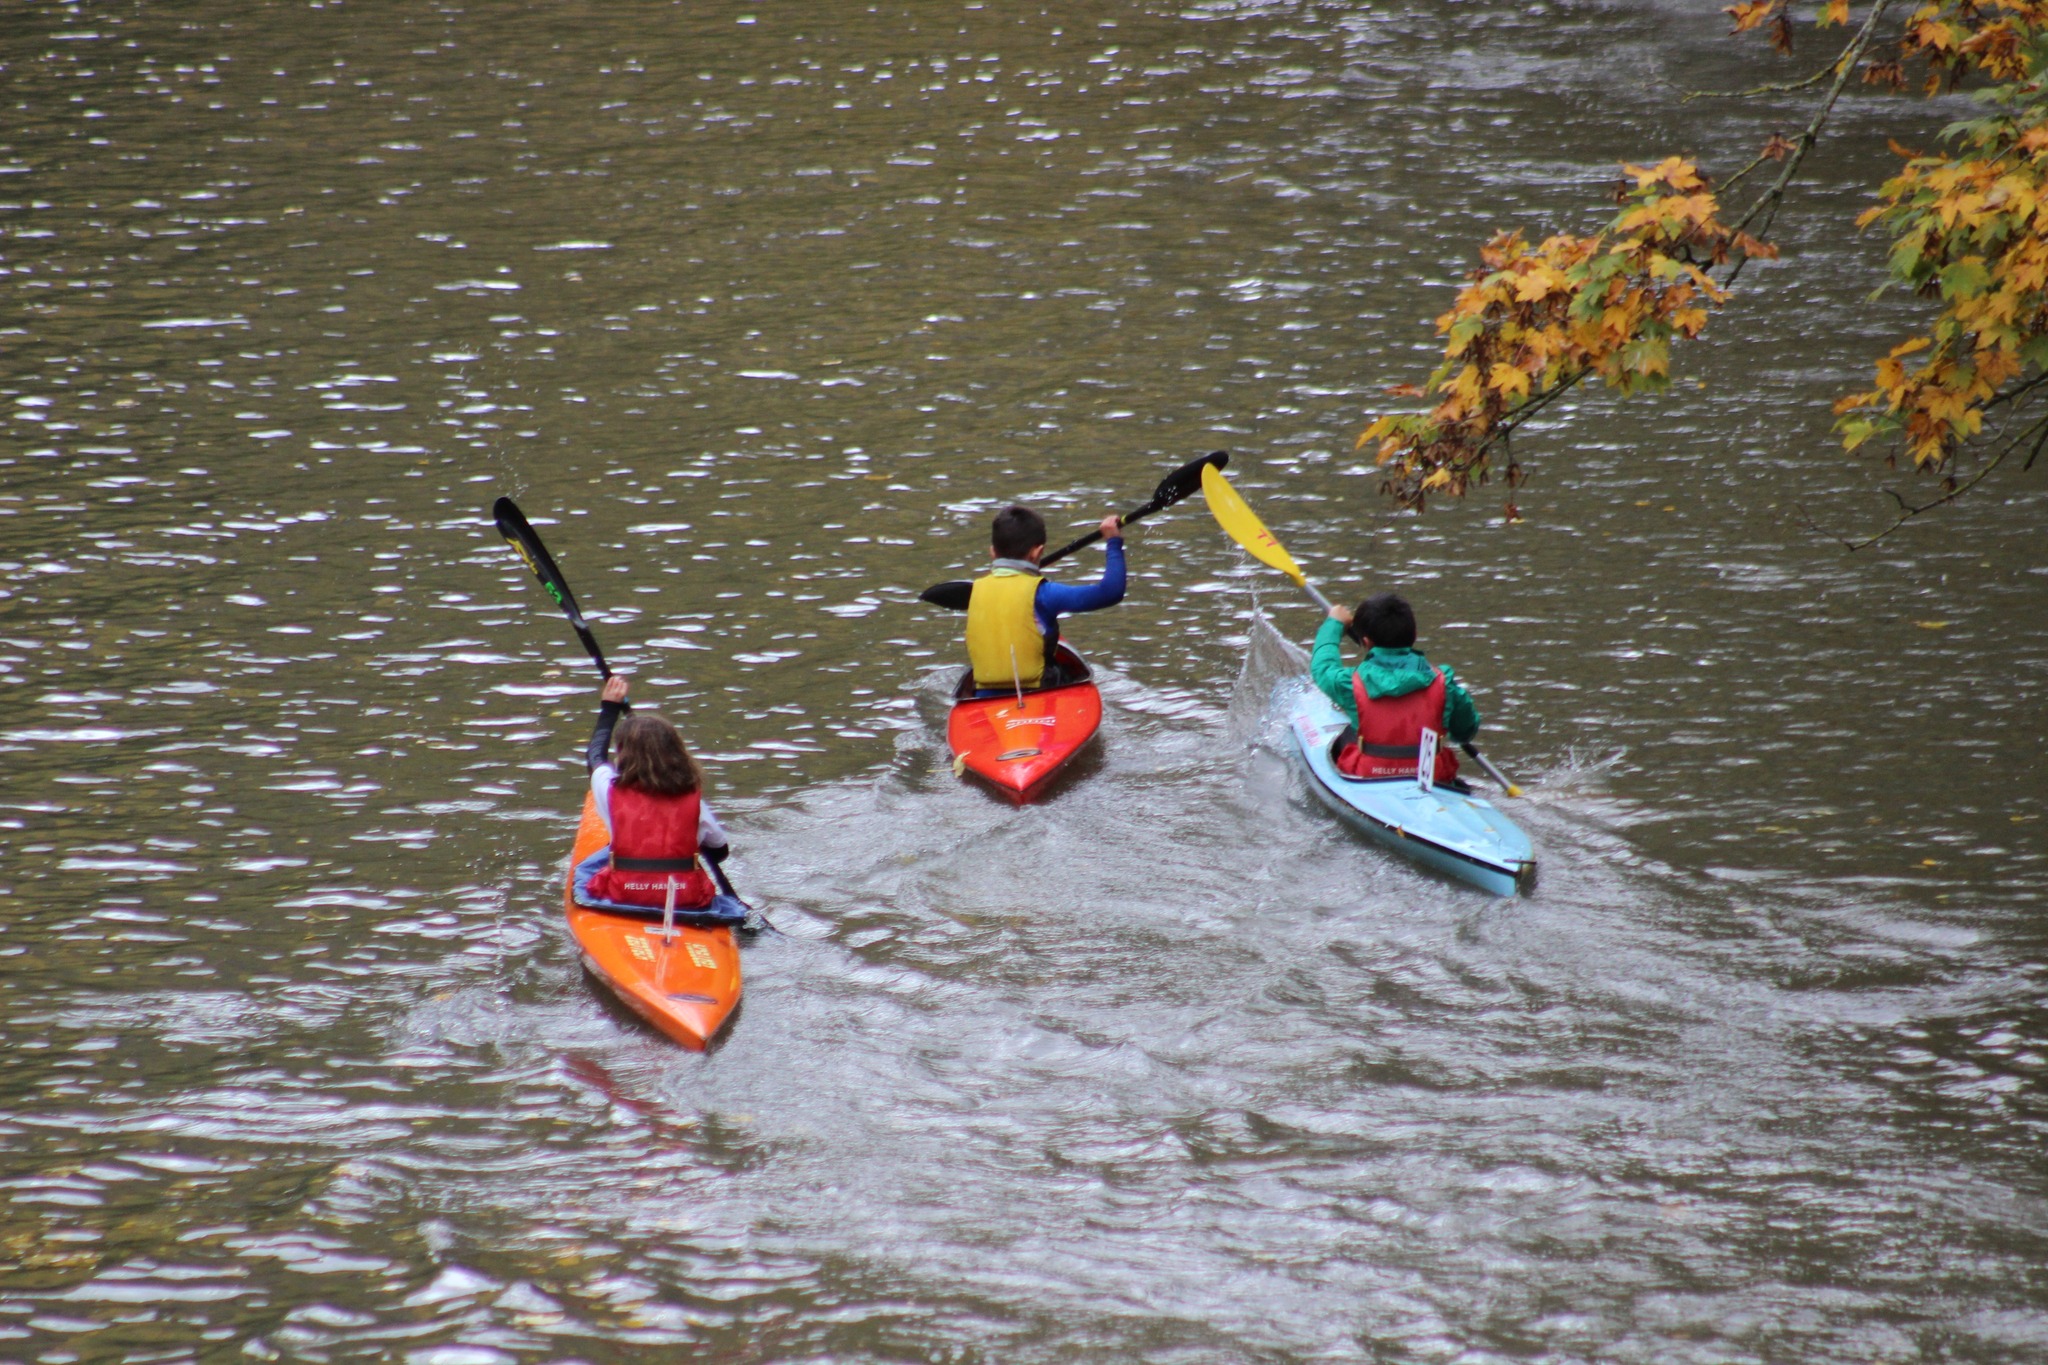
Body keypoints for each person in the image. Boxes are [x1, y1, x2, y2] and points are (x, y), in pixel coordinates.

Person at [571, 674, 740, 917]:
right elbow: (720, 852)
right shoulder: (694, 798)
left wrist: (609, 708)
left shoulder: (608, 788)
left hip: (624, 893)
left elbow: (594, 757)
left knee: (587, 870)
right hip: (686, 899)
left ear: (623, 754)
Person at [1312, 592, 1480, 787]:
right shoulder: (1444, 684)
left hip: (1369, 775)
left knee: (1348, 734)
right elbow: (1465, 732)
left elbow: (1322, 667)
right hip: (1432, 777)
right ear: (1414, 636)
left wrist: (1334, 624)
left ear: (1365, 642)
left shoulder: (1350, 684)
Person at [964, 505, 1125, 696]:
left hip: (983, 697)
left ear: (992, 552)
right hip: (1038, 693)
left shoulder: (975, 590)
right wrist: (1113, 541)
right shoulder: (1045, 593)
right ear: (1038, 552)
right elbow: (1110, 592)